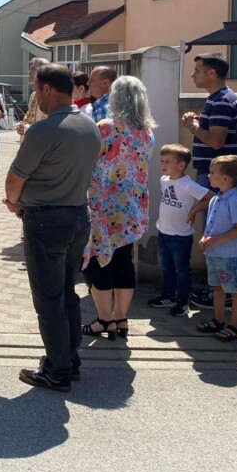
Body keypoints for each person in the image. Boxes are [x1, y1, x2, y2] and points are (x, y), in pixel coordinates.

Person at [3, 63, 100, 391]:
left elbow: (15, 177)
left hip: (46, 220)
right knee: (68, 293)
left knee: (48, 298)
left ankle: (57, 369)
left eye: (36, 89)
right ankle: (69, 360)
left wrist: (15, 202)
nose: (36, 97)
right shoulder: (90, 125)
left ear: (46, 89)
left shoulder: (42, 130)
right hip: (78, 216)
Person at [81, 76, 156, 341]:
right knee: (123, 260)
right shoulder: (147, 132)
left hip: (103, 204)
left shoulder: (104, 127)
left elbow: (88, 161)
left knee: (96, 261)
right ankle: (121, 318)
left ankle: (104, 320)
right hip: (132, 204)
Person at [147, 144, 212, 316]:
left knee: (182, 270)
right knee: (167, 267)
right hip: (164, 232)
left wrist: (194, 210)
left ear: (181, 165)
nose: (163, 164)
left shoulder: (188, 185)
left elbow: (212, 198)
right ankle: (168, 296)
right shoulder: (164, 180)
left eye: (168, 161)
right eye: (162, 160)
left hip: (180, 236)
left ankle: (183, 301)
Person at [193, 156, 237, 341]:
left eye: (212, 172)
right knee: (217, 287)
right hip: (214, 253)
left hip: (229, 255)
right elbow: (211, 225)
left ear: (225, 178)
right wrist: (205, 238)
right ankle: (218, 320)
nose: (209, 175)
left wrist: (216, 240)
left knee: (234, 290)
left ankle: (234, 325)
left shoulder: (235, 201)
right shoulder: (216, 199)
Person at [180, 53, 237, 189]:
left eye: (197, 70)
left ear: (211, 73)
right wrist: (199, 122)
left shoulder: (222, 101)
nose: (192, 75)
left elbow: (216, 142)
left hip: (217, 175)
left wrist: (192, 126)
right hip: (215, 172)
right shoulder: (220, 98)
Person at [16, 57, 49, 137]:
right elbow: (29, 115)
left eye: (33, 69)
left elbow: (48, 122)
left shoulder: (49, 94)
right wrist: (22, 126)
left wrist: (28, 128)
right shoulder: (34, 95)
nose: (29, 72)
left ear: (43, 72)